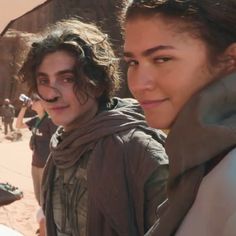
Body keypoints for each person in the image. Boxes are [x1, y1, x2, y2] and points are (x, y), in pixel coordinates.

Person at [19, 18, 169, 236]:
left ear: (97, 83)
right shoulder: (61, 146)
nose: (51, 94)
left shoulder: (139, 152)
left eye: (67, 78)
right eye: (44, 81)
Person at [122, 0, 236, 235]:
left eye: (161, 59)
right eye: (133, 62)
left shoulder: (230, 179)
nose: (138, 84)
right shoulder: (202, 162)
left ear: (230, 60)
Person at [16, 93, 57, 236]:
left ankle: (47, 227)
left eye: (35, 100)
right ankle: (44, 224)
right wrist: (23, 108)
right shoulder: (36, 120)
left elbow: (57, 142)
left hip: (47, 166)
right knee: (39, 197)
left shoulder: (50, 121)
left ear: (43, 103)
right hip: (35, 164)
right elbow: (18, 125)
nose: (32, 102)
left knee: (47, 198)